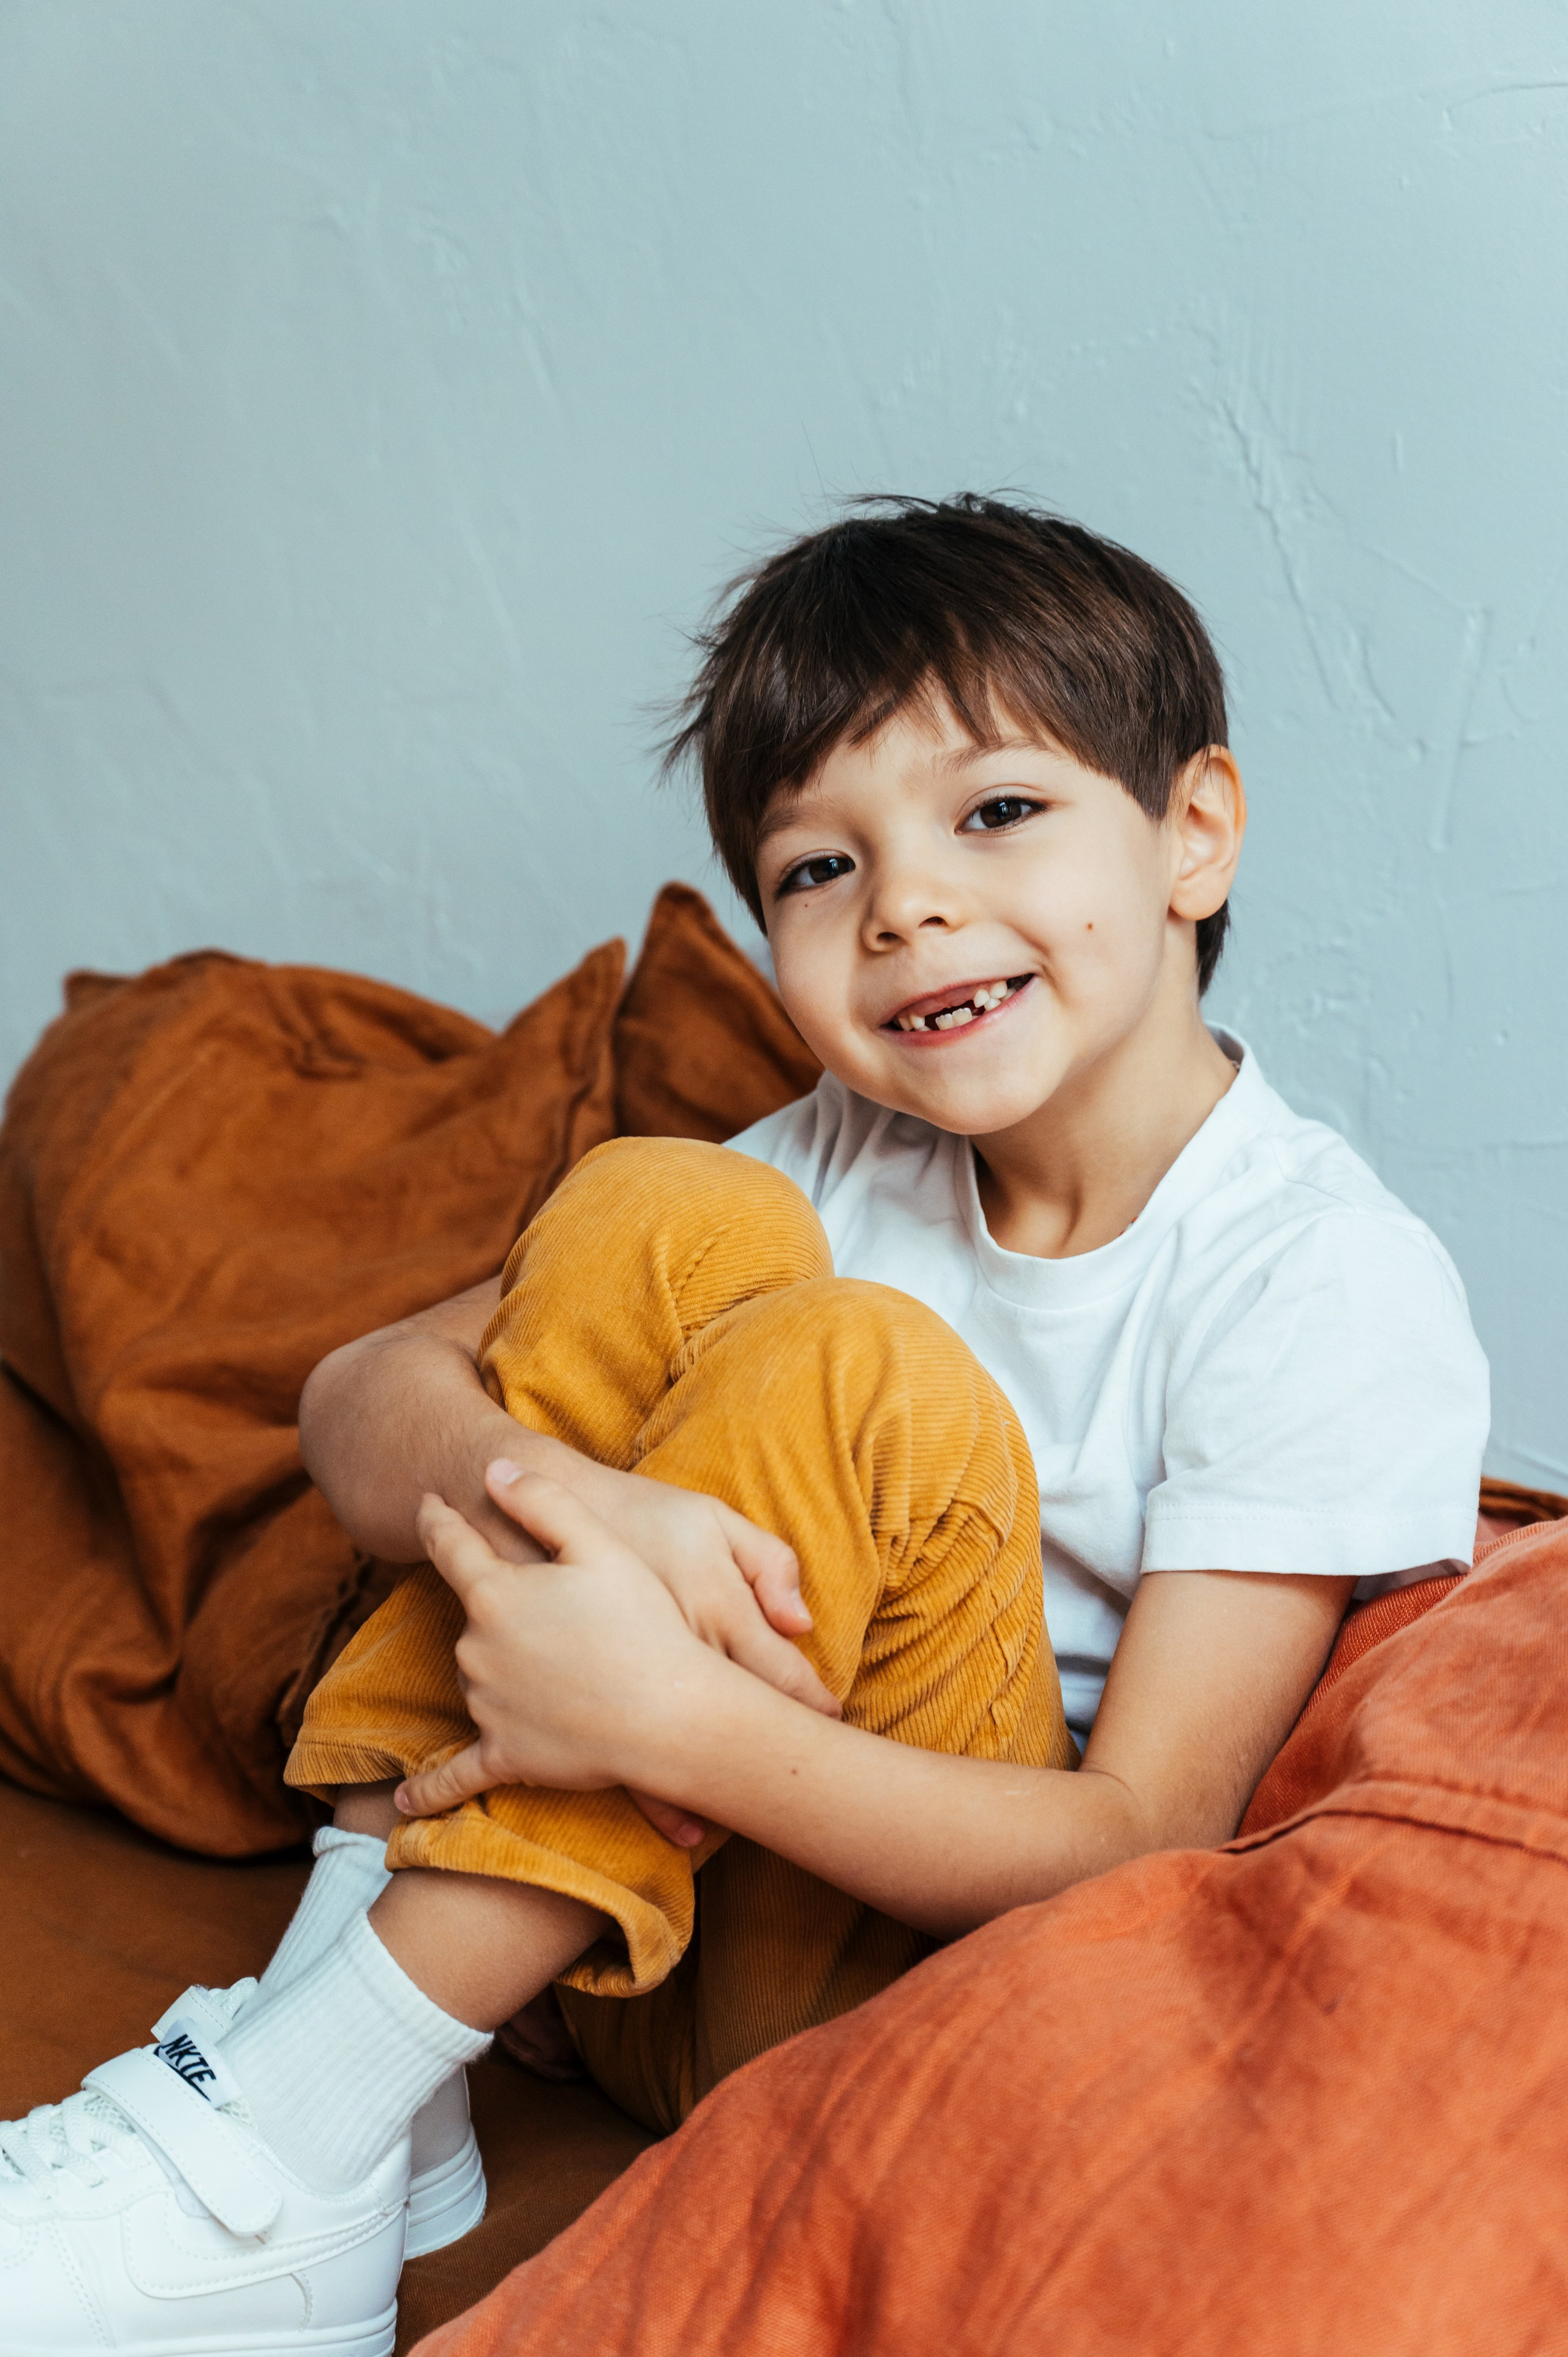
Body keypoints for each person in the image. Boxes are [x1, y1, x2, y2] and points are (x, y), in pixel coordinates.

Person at [1, 497, 1488, 2355]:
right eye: (815, 867)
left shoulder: (1321, 1277)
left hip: (903, 1976)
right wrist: (589, 1521)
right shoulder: (823, 1163)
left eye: (998, 811)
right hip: (601, 1960)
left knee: (857, 1366)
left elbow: (1145, 1835)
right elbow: (354, 1403)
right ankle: (374, 2087)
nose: (908, 904)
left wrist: (673, 1719)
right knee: (652, 1210)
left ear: (1194, 834)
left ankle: (287, 2136)